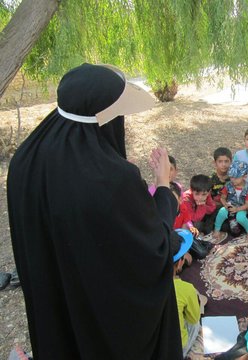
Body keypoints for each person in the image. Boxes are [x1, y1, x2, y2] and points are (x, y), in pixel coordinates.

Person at [7, 63, 183, 359]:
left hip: (56, 297)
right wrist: (164, 187)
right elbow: (155, 251)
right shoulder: (113, 180)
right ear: (103, 120)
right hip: (104, 319)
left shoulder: (25, 160)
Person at [171, 229, 202, 358]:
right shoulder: (185, 289)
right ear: (179, 263)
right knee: (196, 323)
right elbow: (193, 318)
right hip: (175, 349)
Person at [213, 160, 248, 241]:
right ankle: (216, 229)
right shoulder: (228, 185)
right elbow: (223, 197)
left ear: (244, 177)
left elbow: (247, 204)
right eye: (231, 177)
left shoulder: (247, 189)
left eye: (236, 177)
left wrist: (237, 209)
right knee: (221, 212)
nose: (233, 180)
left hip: (241, 207)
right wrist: (225, 205)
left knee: (240, 218)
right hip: (230, 205)